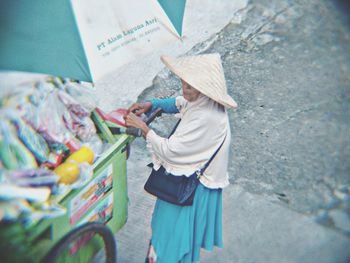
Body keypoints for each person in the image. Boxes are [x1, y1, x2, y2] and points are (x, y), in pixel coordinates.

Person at [124, 53, 237, 263]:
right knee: (171, 235)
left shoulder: (206, 117)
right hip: (193, 184)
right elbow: (179, 102)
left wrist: (144, 129)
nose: (185, 91)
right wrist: (152, 104)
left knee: (169, 237)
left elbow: (170, 150)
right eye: (183, 84)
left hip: (191, 188)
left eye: (190, 87)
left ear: (203, 89)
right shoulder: (203, 101)